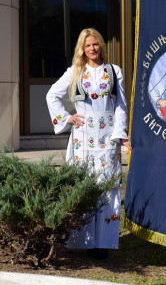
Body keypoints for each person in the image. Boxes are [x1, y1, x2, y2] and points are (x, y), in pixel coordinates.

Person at [46, 28, 129, 259]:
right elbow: (52, 95)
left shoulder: (114, 72)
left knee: (107, 186)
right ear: (82, 49)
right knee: (83, 186)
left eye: (95, 44)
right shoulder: (75, 72)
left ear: (101, 46)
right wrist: (66, 117)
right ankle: (83, 241)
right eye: (87, 46)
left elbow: (121, 105)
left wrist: (121, 134)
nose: (92, 49)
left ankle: (103, 244)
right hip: (83, 137)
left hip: (107, 137)